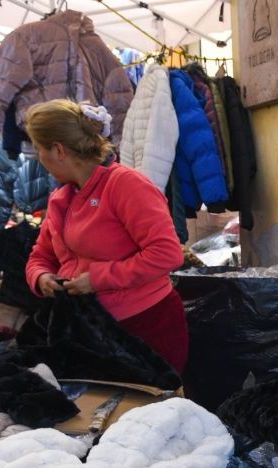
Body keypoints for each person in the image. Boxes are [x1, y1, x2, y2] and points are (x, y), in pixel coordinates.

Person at [23, 99, 189, 373]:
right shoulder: (61, 198)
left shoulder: (126, 185)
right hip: (85, 328)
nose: (39, 158)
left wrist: (98, 279)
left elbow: (167, 254)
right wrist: (41, 278)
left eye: (39, 149)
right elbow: (40, 256)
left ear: (59, 150)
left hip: (145, 328)